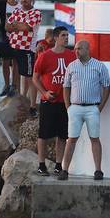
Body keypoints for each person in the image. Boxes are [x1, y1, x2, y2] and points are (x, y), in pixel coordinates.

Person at [58, 40, 110, 181]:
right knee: (72, 139)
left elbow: (107, 87)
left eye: (79, 49)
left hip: (92, 107)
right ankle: (65, 170)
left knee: (94, 138)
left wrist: (100, 107)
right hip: (75, 108)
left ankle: (98, 170)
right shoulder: (71, 66)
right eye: (75, 49)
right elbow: (66, 86)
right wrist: (68, 106)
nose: (76, 51)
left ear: (88, 49)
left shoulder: (99, 66)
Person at [32, 26, 74, 177]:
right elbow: (35, 77)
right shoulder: (45, 56)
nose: (66, 38)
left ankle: (58, 164)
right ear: (56, 38)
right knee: (43, 134)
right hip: (48, 101)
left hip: (65, 102)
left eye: (67, 35)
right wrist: (44, 92)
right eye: (63, 35)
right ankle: (42, 165)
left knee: (62, 135)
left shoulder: (71, 55)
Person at [6, 0, 43, 116]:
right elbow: (7, 26)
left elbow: (27, 28)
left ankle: (32, 106)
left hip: (27, 48)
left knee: (29, 77)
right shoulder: (16, 10)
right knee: (14, 72)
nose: (23, 0)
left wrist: (17, 25)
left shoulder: (36, 12)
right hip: (13, 46)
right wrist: (19, 25)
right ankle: (19, 97)